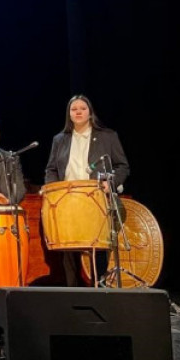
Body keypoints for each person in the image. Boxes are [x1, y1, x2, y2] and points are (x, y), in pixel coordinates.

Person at [44, 94, 130, 287]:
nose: (78, 112)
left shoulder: (108, 136)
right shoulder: (60, 139)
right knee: (68, 246)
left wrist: (112, 183)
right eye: (74, 109)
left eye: (82, 108)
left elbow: (122, 166)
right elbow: (51, 169)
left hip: (96, 197)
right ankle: (72, 289)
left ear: (90, 112)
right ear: (69, 114)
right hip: (67, 198)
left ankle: (99, 287)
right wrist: (52, 189)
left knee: (97, 245)